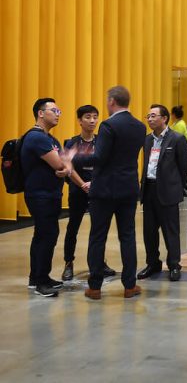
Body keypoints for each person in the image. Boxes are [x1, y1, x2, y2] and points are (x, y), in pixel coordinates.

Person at [67, 86, 146, 300]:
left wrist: (73, 156)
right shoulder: (140, 127)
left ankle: (95, 287)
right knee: (128, 236)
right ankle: (130, 286)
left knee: (98, 236)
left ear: (111, 101)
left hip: (104, 190)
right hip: (128, 189)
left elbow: (99, 157)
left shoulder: (108, 125)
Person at [61, 105, 116, 282]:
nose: (92, 121)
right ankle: (68, 263)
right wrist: (82, 184)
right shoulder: (72, 143)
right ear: (79, 120)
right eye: (87, 117)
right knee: (73, 227)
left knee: (99, 228)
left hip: (98, 190)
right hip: (78, 190)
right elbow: (68, 167)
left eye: (95, 117)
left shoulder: (101, 141)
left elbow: (108, 165)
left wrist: (95, 183)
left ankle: (99, 263)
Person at [137, 104, 187, 283]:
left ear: (164, 118)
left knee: (171, 231)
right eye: (148, 116)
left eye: (153, 116)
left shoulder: (177, 139)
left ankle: (174, 265)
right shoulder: (147, 140)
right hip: (149, 190)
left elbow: (184, 167)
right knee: (149, 232)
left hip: (168, 191)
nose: (150, 119)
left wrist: (177, 186)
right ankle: (153, 263)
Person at [21, 98, 68, 297]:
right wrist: (64, 168)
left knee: (43, 235)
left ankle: (38, 277)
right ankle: (41, 282)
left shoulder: (51, 139)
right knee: (47, 236)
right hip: (40, 196)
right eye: (54, 110)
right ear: (41, 113)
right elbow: (60, 164)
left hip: (50, 195)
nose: (58, 114)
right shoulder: (37, 138)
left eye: (59, 111)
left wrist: (64, 167)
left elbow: (64, 164)